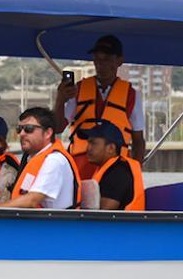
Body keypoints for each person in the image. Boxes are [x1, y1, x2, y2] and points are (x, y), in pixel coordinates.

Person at [53, 34, 146, 179]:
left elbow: (138, 140)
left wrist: (135, 173)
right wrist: (60, 99)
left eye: (107, 59)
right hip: (81, 165)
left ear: (120, 61)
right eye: (97, 59)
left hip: (116, 168)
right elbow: (58, 128)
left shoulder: (131, 95)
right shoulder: (79, 89)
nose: (101, 64)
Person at [0, 107, 81, 209]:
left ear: (48, 133)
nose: (22, 134)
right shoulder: (31, 159)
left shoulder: (54, 161)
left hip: (54, 224)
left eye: (29, 129)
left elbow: (32, 200)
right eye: (19, 129)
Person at [77, 120, 144, 211]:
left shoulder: (118, 173)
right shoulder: (108, 169)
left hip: (124, 225)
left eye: (93, 143)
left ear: (111, 148)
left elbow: (104, 213)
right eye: (88, 143)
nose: (88, 148)